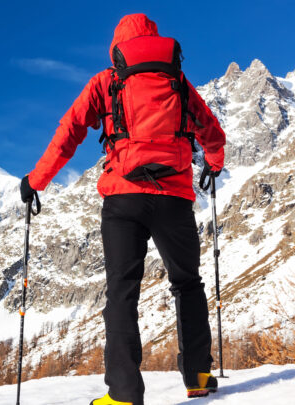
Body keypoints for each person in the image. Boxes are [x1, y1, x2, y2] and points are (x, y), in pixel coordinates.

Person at [19, 13, 226, 405]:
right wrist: (213, 165)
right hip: (175, 197)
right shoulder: (177, 82)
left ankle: (124, 395)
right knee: (187, 283)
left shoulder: (107, 81)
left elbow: (70, 132)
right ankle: (198, 374)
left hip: (124, 198)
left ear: (118, 49)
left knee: (122, 291)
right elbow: (212, 132)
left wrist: (36, 181)